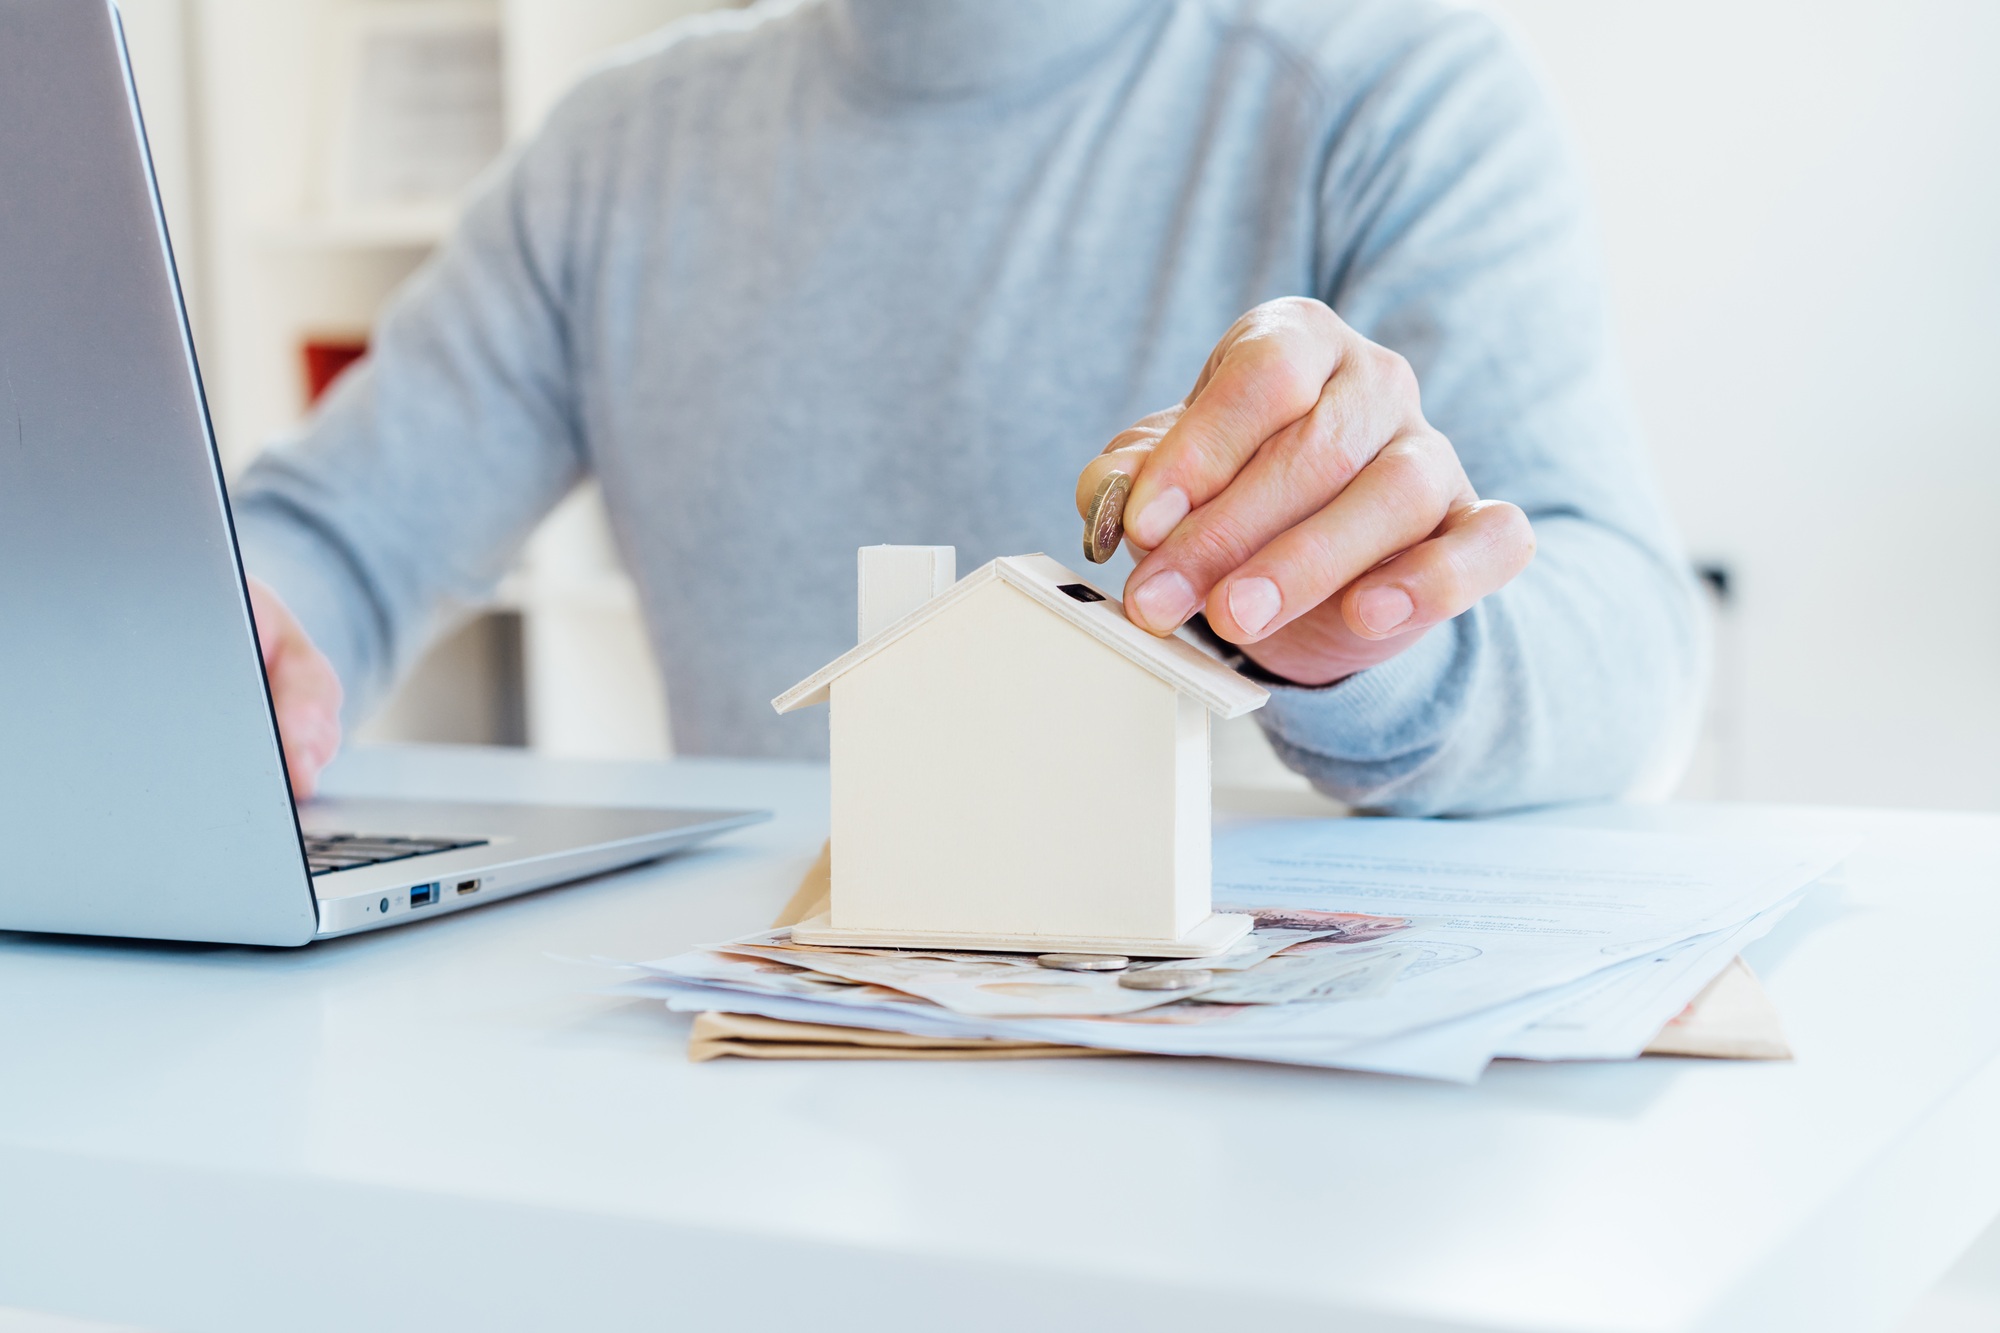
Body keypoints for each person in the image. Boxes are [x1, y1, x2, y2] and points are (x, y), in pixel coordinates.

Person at [236, 0, 1704, 816]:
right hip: (755, 1097)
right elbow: (336, 543)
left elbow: (1627, 646)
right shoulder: (616, 150)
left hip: (1243, 1141)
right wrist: (238, 620)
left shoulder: (1395, 90)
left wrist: (1368, 640)